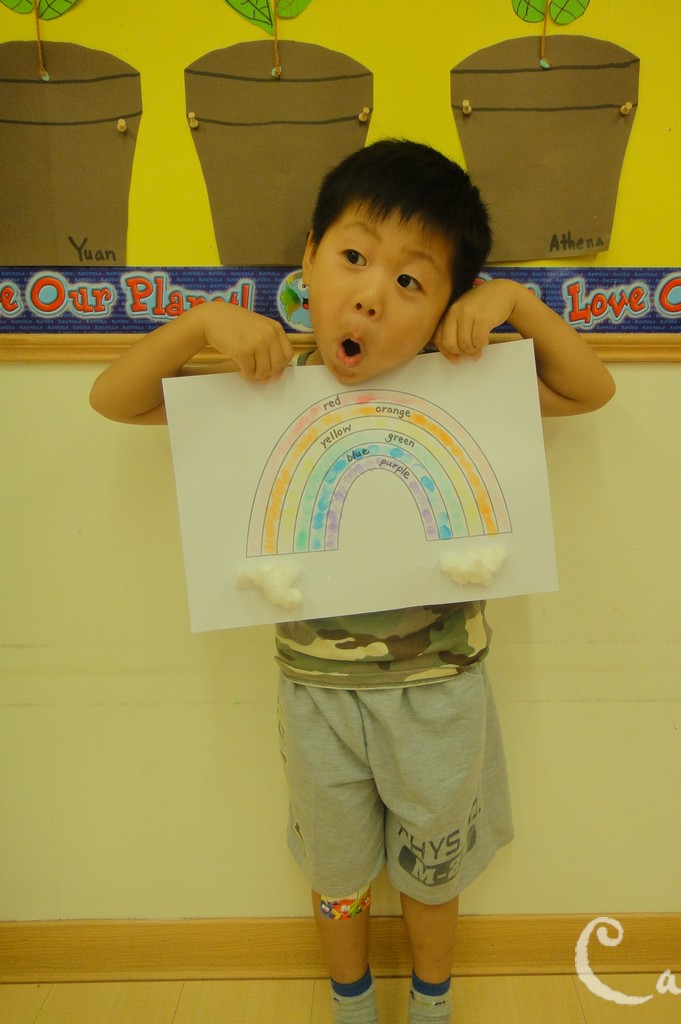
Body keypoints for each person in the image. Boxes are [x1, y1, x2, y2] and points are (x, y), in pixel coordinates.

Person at [90, 139, 615, 1024]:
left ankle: (434, 1003)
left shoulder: (464, 386)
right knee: (338, 879)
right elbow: (115, 398)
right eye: (354, 257)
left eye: (412, 281)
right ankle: (351, 1003)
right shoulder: (268, 386)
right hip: (316, 696)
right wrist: (202, 325)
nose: (372, 294)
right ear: (309, 258)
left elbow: (590, 388)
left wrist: (515, 303)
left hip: (441, 692)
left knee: (432, 869)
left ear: (447, 304)